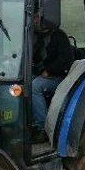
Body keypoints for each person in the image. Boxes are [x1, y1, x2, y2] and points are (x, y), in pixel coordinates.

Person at [31, 14, 75, 143]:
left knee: (35, 86)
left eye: (36, 18)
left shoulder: (59, 36)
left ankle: (43, 129)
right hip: (40, 74)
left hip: (60, 77)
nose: (33, 20)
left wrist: (49, 70)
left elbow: (66, 60)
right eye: (33, 18)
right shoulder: (34, 36)